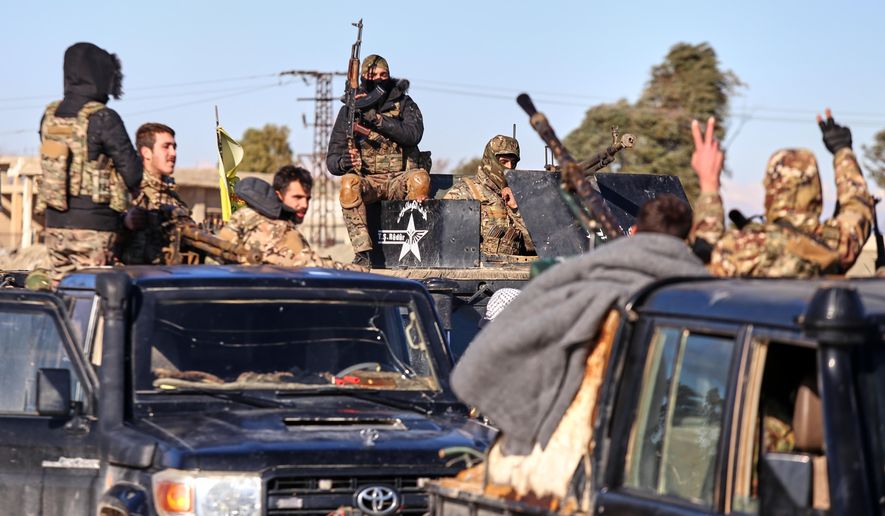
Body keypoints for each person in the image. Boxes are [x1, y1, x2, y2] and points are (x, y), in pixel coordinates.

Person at [452, 195, 707, 457]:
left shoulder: (577, 280)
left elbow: (472, 375)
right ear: (687, 239)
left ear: (634, 232)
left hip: (577, 451)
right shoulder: (710, 297)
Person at [691, 111, 874, 277]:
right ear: (817, 192)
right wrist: (843, 150)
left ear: (770, 192)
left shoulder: (741, 248)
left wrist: (709, 183)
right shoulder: (837, 244)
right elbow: (857, 202)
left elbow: (702, 253)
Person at [37, 42, 143, 281]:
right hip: (94, 228)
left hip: (55, 226)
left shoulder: (49, 115)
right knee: (92, 299)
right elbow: (133, 174)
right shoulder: (104, 117)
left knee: (63, 294)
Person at [326, 54, 431, 266]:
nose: (379, 79)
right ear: (364, 77)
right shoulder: (349, 111)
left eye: (384, 75)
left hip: (399, 180)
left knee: (420, 179)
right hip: (369, 183)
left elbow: (413, 134)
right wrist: (344, 162)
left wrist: (378, 120)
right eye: (373, 76)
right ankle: (363, 254)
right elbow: (332, 160)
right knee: (348, 184)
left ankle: (418, 252)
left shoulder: (404, 104)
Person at [217, 173, 367, 271]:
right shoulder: (279, 229)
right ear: (278, 196)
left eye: (307, 199)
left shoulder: (241, 218)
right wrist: (362, 271)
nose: (304, 205)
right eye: (297, 197)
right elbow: (307, 264)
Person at [444, 135, 534, 255]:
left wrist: (515, 209)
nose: (509, 167)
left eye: (513, 162)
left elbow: (536, 246)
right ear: (490, 160)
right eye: (504, 162)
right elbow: (447, 244)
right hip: (480, 271)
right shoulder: (463, 193)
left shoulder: (520, 194)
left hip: (517, 270)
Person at [119, 123, 190, 264]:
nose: (173, 153)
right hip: (132, 277)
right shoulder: (126, 188)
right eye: (166, 146)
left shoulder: (173, 197)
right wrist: (125, 221)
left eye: (174, 147)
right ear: (146, 153)